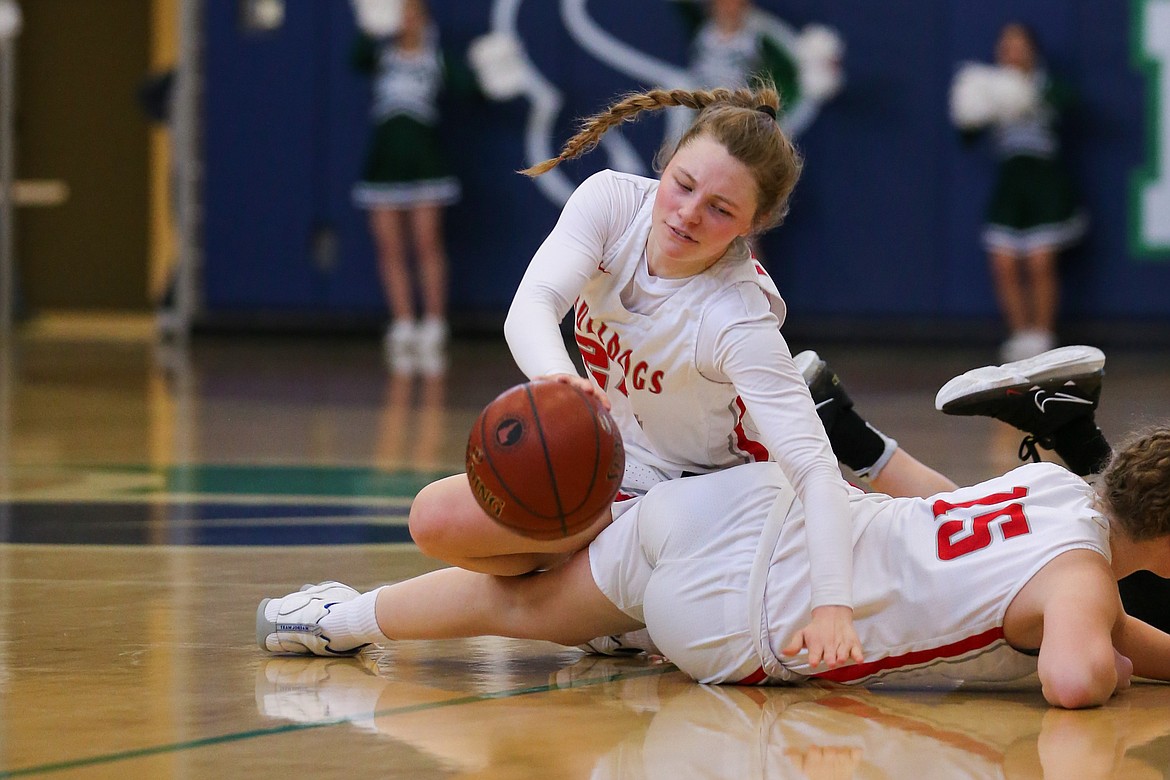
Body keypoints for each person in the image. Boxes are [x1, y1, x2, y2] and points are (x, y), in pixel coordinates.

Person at [257, 346, 1170, 708]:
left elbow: (1095, 613)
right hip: (744, 610)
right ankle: (348, 620)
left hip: (743, 505)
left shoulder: (1057, 496)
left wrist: (1120, 636)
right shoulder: (1083, 586)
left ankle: (341, 615)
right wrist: (1111, 660)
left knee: (531, 600)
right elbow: (1079, 677)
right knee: (525, 617)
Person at [409, 81, 870, 667]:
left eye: (720, 210)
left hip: (705, 497)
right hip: (616, 462)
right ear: (667, 162)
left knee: (908, 531)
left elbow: (813, 468)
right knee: (434, 519)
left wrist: (834, 604)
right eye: (683, 184)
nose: (687, 213)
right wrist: (558, 380)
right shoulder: (612, 202)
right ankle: (617, 607)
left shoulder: (736, 315)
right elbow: (531, 305)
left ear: (753, 225)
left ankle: (869, 451)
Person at [950, 22, 1087, 362]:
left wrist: (1028, 95)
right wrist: (973, 110)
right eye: (1005, 44)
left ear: (1032, 48)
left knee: (1041, 262)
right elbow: (967, 135)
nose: (1011, 50)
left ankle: (1042, 334)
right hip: (1010, 185)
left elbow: (1070, 101)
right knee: (1004, 263)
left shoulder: (1046, 83)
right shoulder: (989, 86)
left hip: (1045, 183)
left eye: (1018, 43)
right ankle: (1020, 335)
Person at [351, 0, 465, 370]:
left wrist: (493, 71)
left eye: (413, 13)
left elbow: (468, 85)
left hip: (424, 163)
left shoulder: (435, 57)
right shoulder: (380, 55)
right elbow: (356, 59)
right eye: (400, 13)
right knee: (389, 247)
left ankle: (433, 324)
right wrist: (370, 29)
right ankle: (402, 323)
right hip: (384, 165)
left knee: (427, 243)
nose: (406, 21)